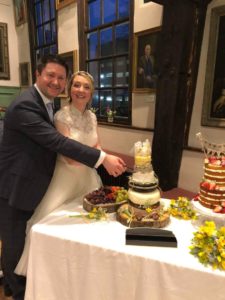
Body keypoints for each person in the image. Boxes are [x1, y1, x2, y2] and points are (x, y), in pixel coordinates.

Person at [0, 55, 126, 300]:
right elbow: (58, 143)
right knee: (17, 238)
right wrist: (103, 158)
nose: (56, 82)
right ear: (38, 74)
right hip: (15, 183)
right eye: (50, 75)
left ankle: (26, 282)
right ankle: (18, 292)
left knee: (27, 235)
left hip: (39, 178)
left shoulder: (47, 103)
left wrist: (99, 156)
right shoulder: (27, 103)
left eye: (60, 77)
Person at [14, 70, 104, 276]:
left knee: (88, 226)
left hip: (89, 177)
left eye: (86, 87)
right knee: (47, 223)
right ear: (69, 89)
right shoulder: (61, 116)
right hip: (66, 177)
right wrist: (98, 160)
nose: (81, 90)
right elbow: (70, 156)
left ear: (92, 93)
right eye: (77, 85)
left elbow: (97, 144)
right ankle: (46, 271)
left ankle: (81, 269)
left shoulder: (92, 116)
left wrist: (99, 158)